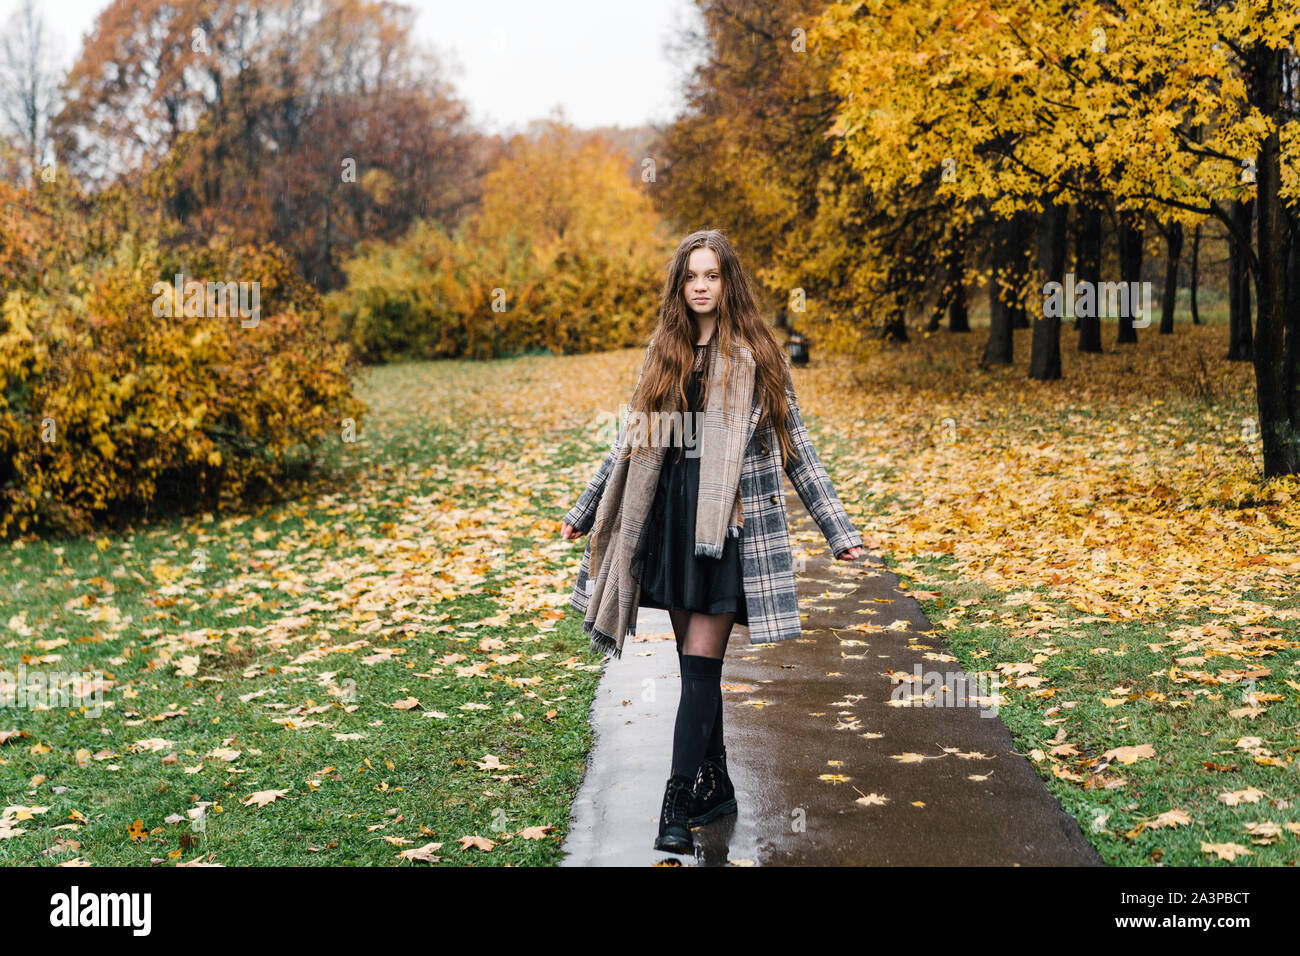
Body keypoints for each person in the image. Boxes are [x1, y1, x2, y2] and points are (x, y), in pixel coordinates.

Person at [560, 229, 863, 856]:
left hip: (724, 529)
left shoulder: (757, 352)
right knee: (695, 670)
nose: (701, 286)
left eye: (713, 275)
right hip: (670, 522)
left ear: (729, 283)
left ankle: (675, 804)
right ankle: (716, 783)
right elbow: (630, 443)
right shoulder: (665, 351)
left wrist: (840, 533)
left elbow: (796, 448)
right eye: (691, 277)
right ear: (680, 286)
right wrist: (587, 508)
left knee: (701, 668)